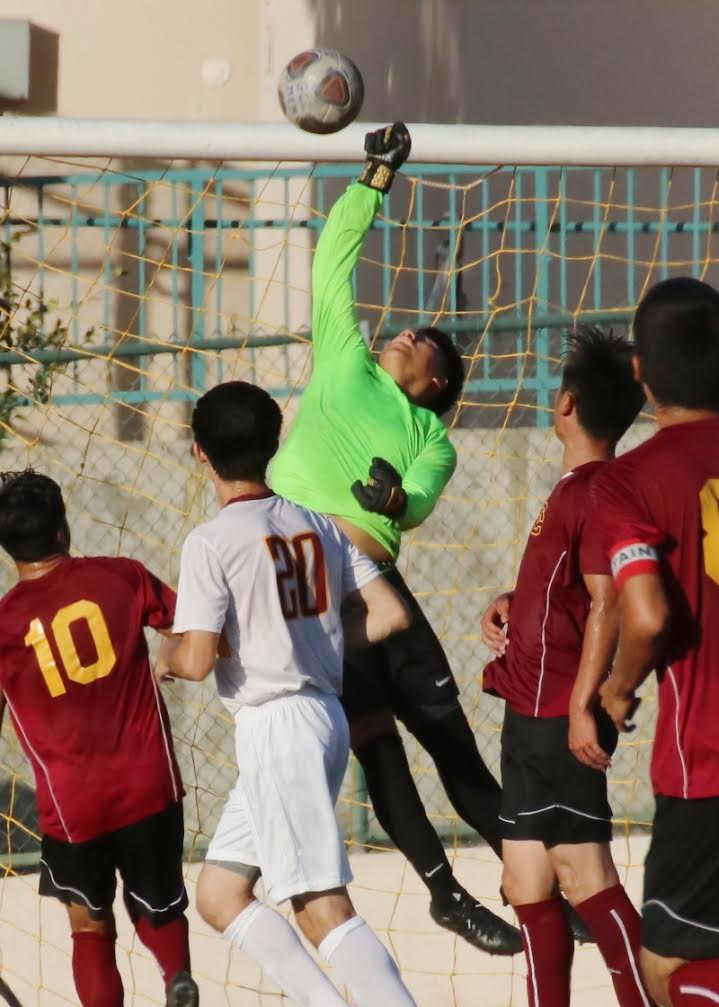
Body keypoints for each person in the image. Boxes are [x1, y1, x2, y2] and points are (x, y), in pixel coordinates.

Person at [270, 120, 522, 955]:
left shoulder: (431, 434)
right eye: (409, 330)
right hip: (315, 585)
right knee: (376, 745)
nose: (407, 333)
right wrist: (373, 178)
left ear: (437, 383)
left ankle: (533, 881)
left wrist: (395, 497)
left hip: (379, 581)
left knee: (451, 743)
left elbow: (417, 500)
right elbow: (331, 263)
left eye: (425, 344)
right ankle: (443, 893)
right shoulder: (345, 356)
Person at [157, 380, 418, 1007]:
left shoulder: (211, 541)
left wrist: (160, 655)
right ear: (274, 444)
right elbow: (389, 613)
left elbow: (193, 658)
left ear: (199, 452)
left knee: (321, 905)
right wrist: (311, 639)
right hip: (319, 715)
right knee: (220, 893)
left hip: (279, 726)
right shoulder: (317, 522)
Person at [480, 327, 649, 1006]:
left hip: (558, 715)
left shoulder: (597, 489)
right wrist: (510, 600)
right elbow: (571, 590)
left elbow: (608, 602)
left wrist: (586, 704)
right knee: (526, 883)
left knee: (585, 877)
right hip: (528, 714)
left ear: (568, 403)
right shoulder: (574, 487)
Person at [0, 470, 197, 1007]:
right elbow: (191, 630)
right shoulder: (122, 577)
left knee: (89, 924)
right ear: (63, 530)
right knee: (161, 905)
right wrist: (169, 660)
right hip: (149, 781)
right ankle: (178, 977)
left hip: (72, 803)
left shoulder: (5, 624)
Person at [592, 277, 719, 1007]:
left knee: (667, 965)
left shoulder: (630, 479)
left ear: (636, 372)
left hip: (704, 760)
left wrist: (615, 689)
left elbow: (642, 615)